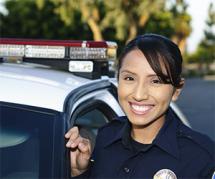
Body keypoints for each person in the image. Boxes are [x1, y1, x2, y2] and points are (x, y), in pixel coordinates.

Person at [65, 34, 215, 179]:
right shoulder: (106, 135)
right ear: (118, 81)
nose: (139, 95)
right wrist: (80, 172)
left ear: (176, 90)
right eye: (130, 78)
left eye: (155, 81)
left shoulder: (202, 157)